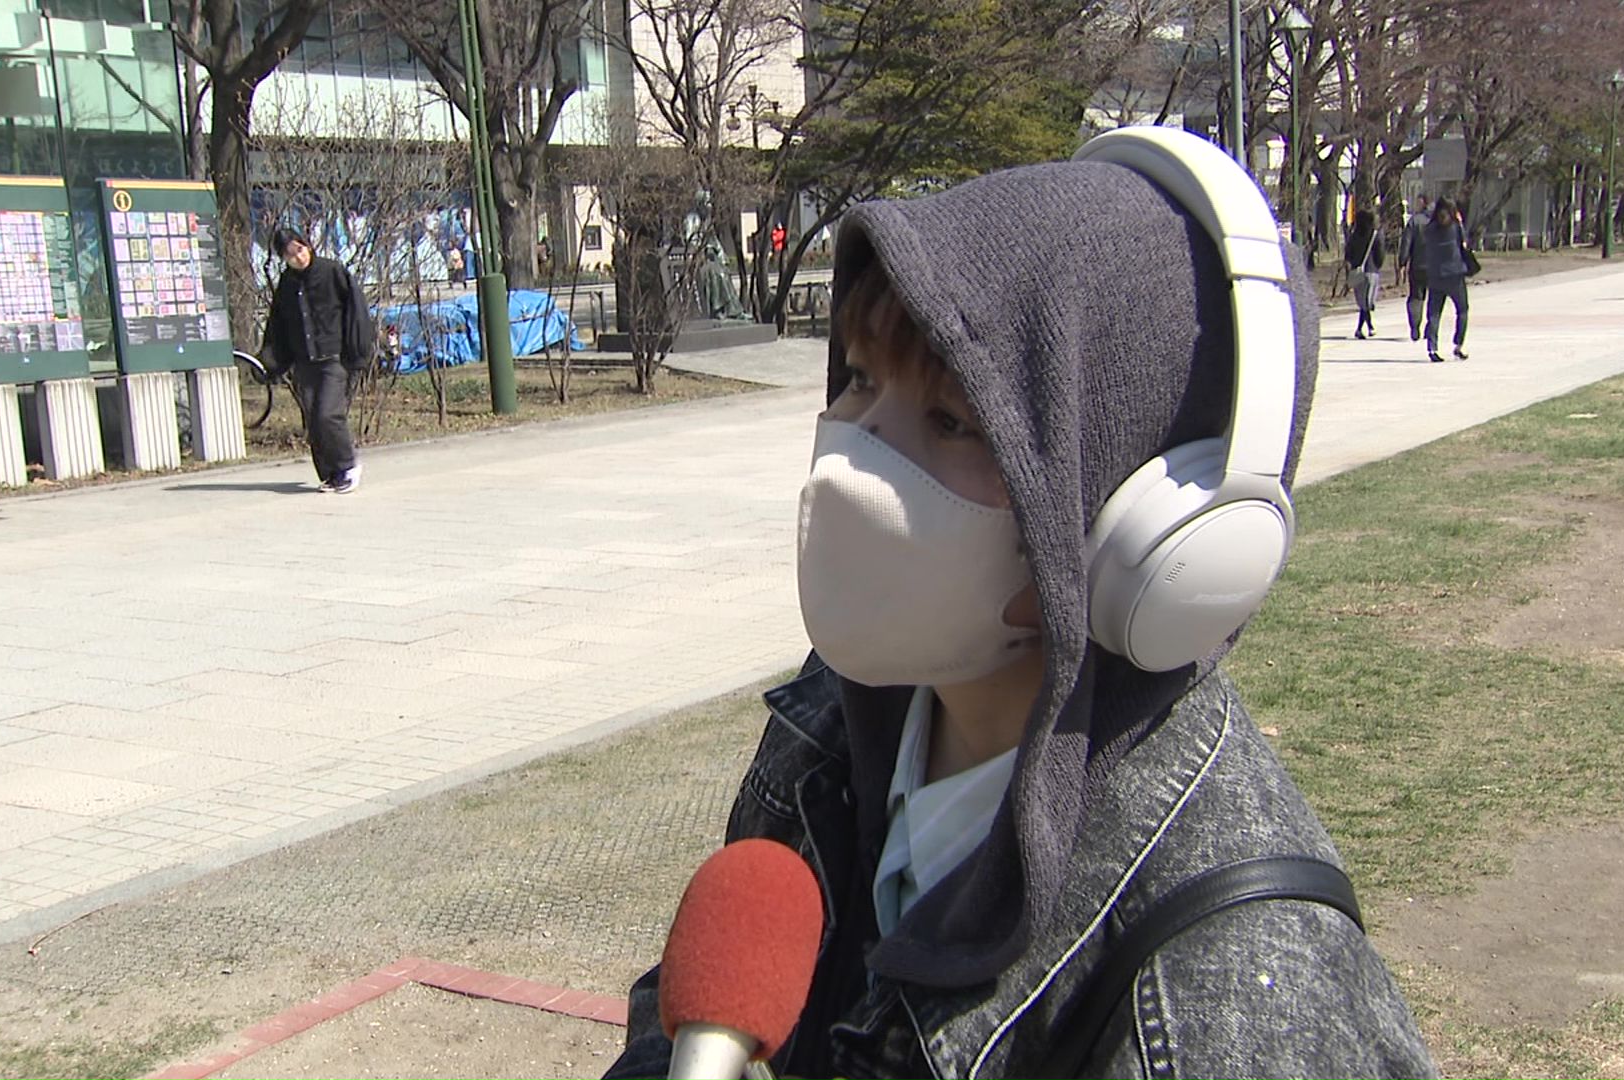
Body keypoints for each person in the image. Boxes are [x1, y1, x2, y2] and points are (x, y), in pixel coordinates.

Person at [604, 129, 1435, 1080]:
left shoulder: (1238, 980)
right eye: (863, 381)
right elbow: (694, 996)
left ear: (1135, 527)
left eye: (952, 421)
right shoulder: (834, 715)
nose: (852, 455)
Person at [260, 226, 374, 494]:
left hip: (333, 357)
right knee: (313, 420)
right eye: (290, 255)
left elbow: (356, 311)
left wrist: (358, 350)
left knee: (328, 414)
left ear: (307, 245)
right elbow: (279, 325)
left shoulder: (331, 271)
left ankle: (347, 466)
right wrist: (272, 361)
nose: (298, 258)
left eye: (299, 250)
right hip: (305, 360)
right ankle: (331, 473)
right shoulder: (287, 284)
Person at [1417, 197, 1471, 362]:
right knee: (1462, 310)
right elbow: (1463, 243)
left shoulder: (1429, 229)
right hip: (1455, 275)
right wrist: (1460, 222)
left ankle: (1432, 348)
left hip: (1435, 275)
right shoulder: (1455, 227)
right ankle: (1458, 344)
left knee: (1434, 313)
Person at [1344, 208, 1383, 339]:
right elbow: (1380, 254)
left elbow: (1348, 254)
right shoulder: (1374, 235)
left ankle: (1361, 328)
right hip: (1371, 271)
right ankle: (1369, 327)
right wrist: (1378, 265)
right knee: (1367, 302)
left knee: (1363, 303)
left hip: (1358, 271)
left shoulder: (1354, 236)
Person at [1396, 194, 1431, 339]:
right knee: (1434, 298)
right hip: (1435, 266)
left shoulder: (1414, 222)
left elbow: (1406, 243)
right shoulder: (1437, 221)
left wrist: (1402, 262)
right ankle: (1431, 326)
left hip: (1417, 265)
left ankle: (1415, 325)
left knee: (1416, 296)